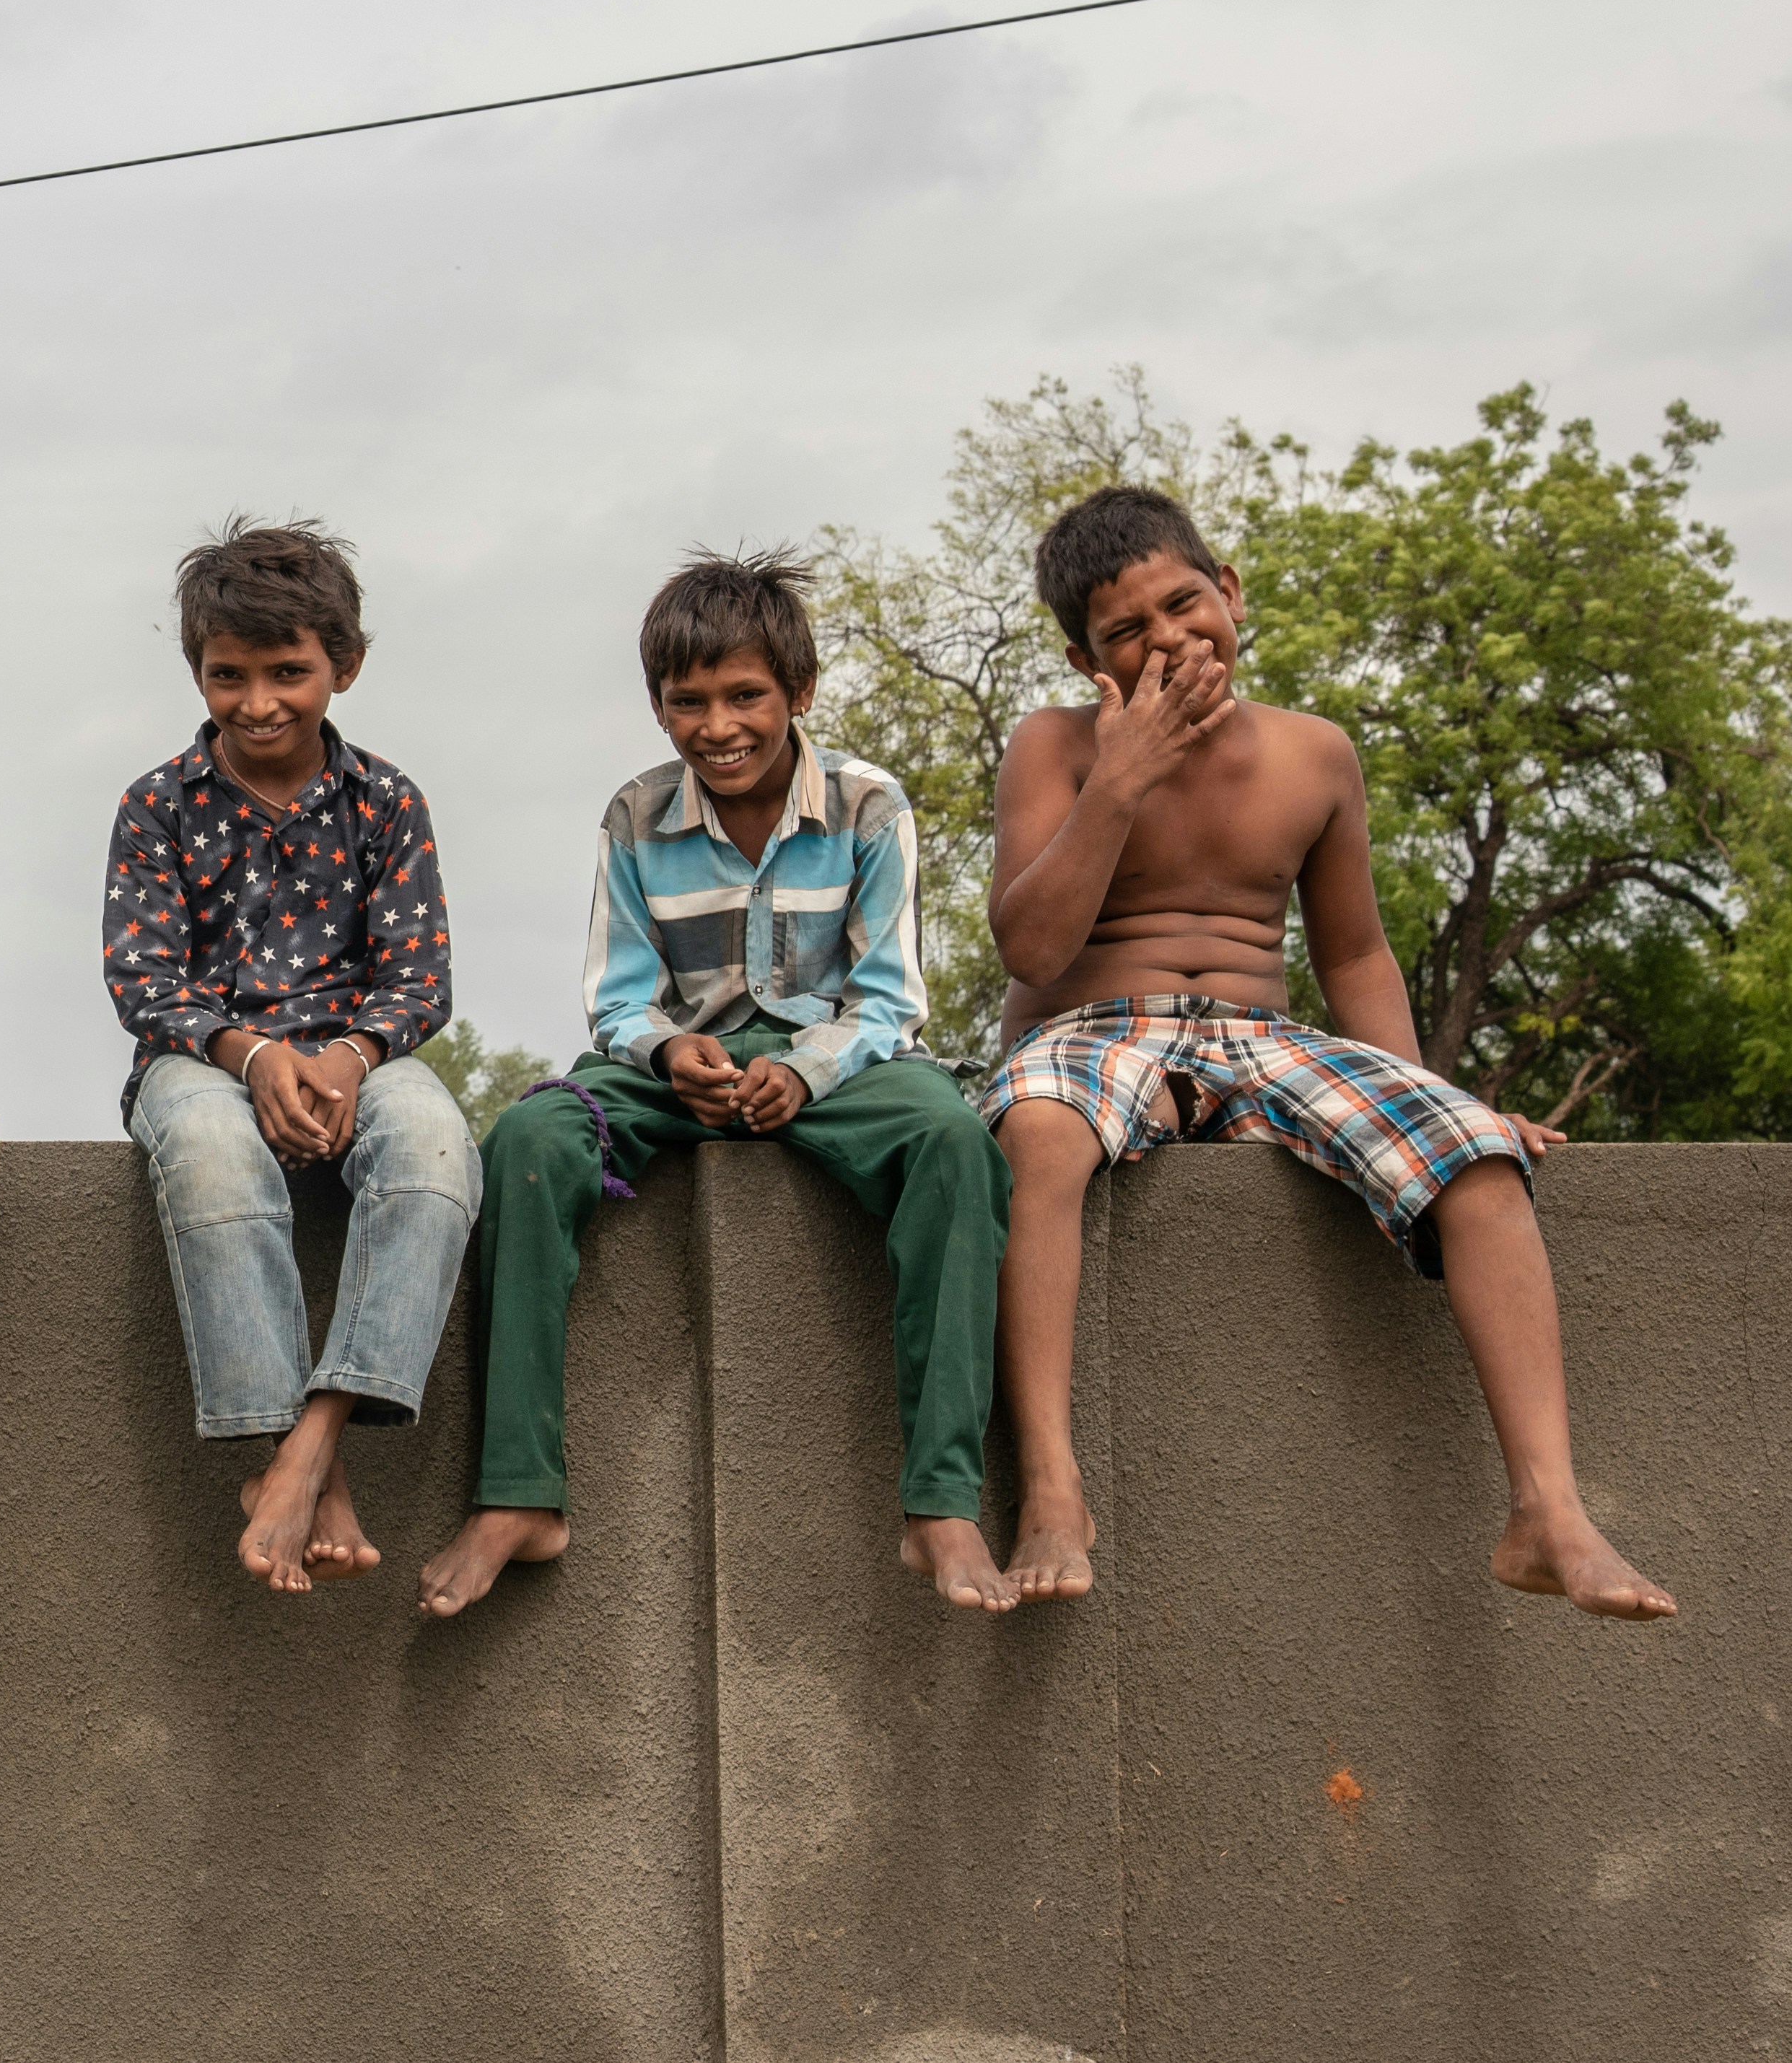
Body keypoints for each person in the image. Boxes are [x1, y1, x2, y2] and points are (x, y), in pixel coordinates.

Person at [979, 486, 1670, 1618]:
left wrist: (1435, 1100)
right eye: (1126, 631)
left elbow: (1354, 959)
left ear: (1231, 594)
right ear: (1083, 657)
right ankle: (1053, 1487)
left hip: (1262, 1038)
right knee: (1039, 1136)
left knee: (1479, 1160)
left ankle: (1548, 1512)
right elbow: (1031, 944)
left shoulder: (1314, 754)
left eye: (1183, 604)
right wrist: (1122, 775)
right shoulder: (1054, 746)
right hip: (1092, 1028)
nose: (1166, 639)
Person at [420, 551, 1019, 1619]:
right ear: (657, 709)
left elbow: (888, 1000)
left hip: (840, 1068)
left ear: (798, 693)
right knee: (530, 1142)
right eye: (684, 702)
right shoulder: (636, 817)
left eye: (744, 696)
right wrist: (666, 1056)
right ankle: (519, 1494)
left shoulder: (868, 807)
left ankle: (941, 1505)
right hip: (677, 1069)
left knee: (955, 1144)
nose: (716, 725)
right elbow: (618, 997)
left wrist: (799, 1068)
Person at [102, 519, 477, 1593]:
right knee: (213, 1158)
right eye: (229, 675)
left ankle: (313, 1439)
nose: (257, 701)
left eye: (287, 673)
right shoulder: (157, 805)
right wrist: (251, 1053)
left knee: (435, 1150)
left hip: (359, 1052)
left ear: (342, 669)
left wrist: (351, 1058)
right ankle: (282, 1455)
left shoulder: (385, 803)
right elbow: (142, 977)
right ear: (196, 672)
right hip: (203, 1057)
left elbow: (418, 979)